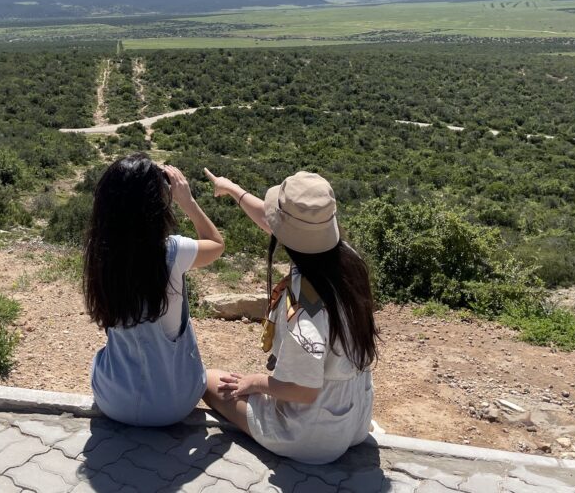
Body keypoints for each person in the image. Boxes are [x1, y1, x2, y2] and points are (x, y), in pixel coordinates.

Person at [202, 168, 378, 464]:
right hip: (354, 419)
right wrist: (232, 189)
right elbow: (273, 223)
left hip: (313, 438)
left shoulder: (305, 311)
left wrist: (255, 382)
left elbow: (305, 391)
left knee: (209, 381)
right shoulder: (347, 261)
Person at [85, 154, 224, 426]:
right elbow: (215, 243)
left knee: (102, 356)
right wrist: (188, 202)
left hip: (113, 402)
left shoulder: (100, 253)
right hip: (175, 405)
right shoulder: (173, 252)